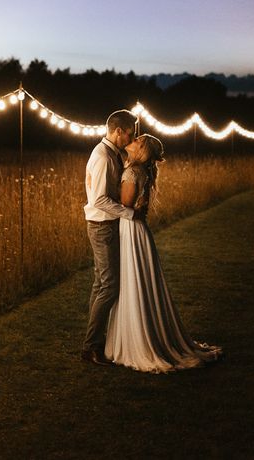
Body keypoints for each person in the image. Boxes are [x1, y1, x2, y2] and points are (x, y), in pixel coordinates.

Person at [104, 133, 223, 373]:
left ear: (142, 150)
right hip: (137, 231)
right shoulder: (141, 171)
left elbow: (125, 207)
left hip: (131, 229)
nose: (133, 139)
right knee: (137, 282)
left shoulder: (132, 172)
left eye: (137, 140)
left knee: (132, 281)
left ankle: (139, 340)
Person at [81, 109, 138, 365]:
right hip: (102, 226)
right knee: (109, 286)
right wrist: (128, 213)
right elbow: (99, 199)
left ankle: (94, 341)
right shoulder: (103, 156)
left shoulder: (110, 154)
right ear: (118, 131)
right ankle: (91, 347)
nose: (132, 137)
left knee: (100, 284)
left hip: (104, 224)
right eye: (130, 132)